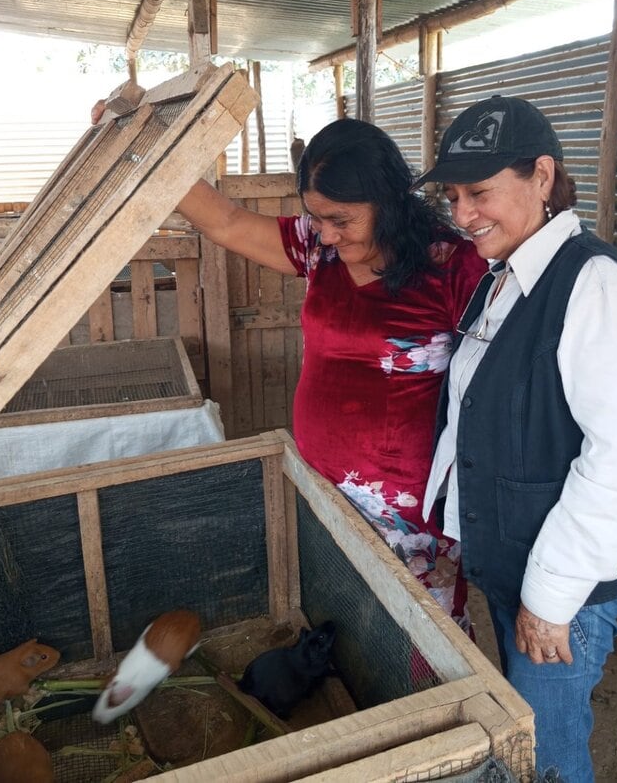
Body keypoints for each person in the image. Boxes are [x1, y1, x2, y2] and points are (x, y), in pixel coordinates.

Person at [415, 95, 617, 782]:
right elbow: (469, 416)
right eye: (453, 195)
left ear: (543, 176)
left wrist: (549, 603)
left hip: (562, 591)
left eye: (480, 192)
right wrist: (450, 533)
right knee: (527, 738)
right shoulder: (503, 279)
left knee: (546, 759)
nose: (463, 215)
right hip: (513, 565)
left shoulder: (594, 288)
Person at [179, 118, 487, 631]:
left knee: (421, 632)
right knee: (345, 617)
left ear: (389, 200)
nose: (325, 232)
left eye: (340, 219)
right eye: (315, 217)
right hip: (323, 485)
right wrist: (148, 155)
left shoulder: (452, 266)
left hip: (409, 509)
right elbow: (226, 222)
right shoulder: (320, 249)